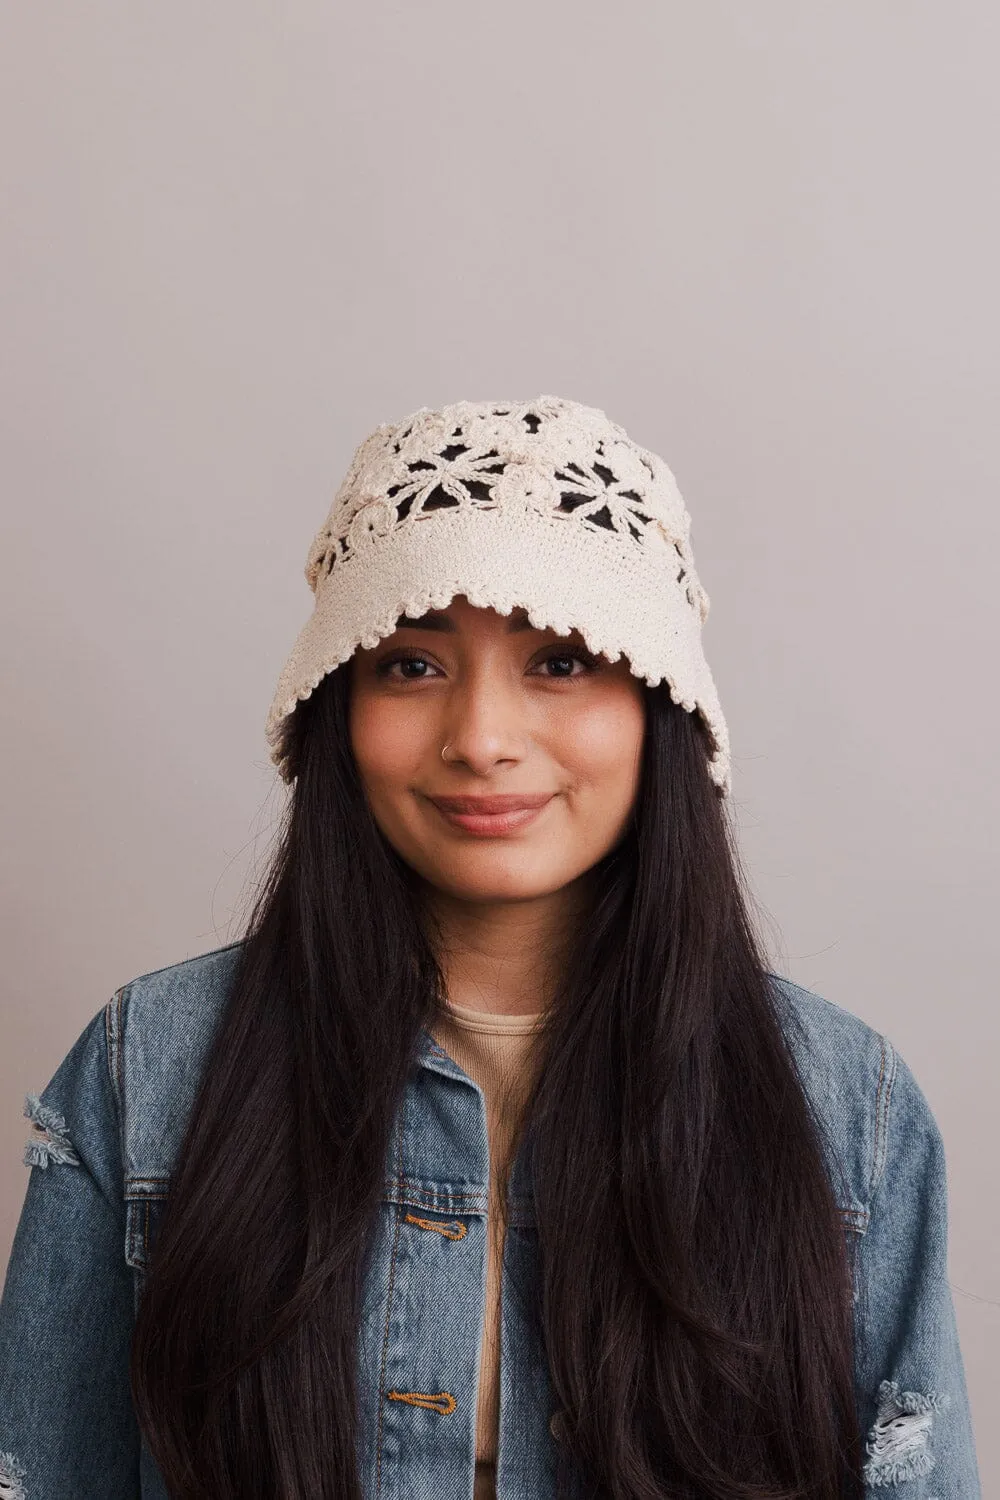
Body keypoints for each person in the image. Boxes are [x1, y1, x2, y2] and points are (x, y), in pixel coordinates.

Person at [0, 395, 982, 1499]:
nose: (479, 739)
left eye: (560, 662)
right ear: (337, 710)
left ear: (658, 705)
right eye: (412, 666)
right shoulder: (149, 1067)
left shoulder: (847, 1103)